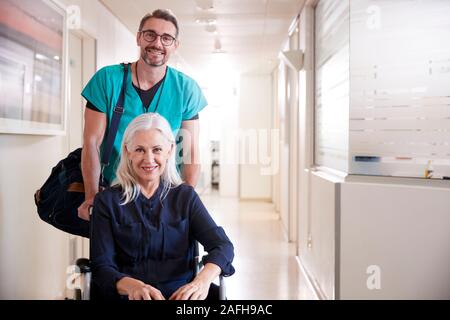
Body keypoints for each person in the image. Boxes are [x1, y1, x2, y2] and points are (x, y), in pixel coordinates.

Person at [79, 9, 207, 221]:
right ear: (138, 37)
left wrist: (186, 199)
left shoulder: (186, 88)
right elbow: (91, 142)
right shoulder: (107, 80)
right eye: (150, 34)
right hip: (115, 191)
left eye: (166, 38)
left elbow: (189, 150)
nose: (157, 43)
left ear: (175, 45)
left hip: (167, 194)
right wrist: (92, 196)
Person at [90, 113, 234, 300]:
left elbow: (222, 246)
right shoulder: (107, 201)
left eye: (157, 149)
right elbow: (102, 267)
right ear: (128, 152)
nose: (149, 159)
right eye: (140, 150)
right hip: (128, 295)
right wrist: (133, 287)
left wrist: (202, 281)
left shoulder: (185, 197)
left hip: (180, 296)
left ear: (169, 150)